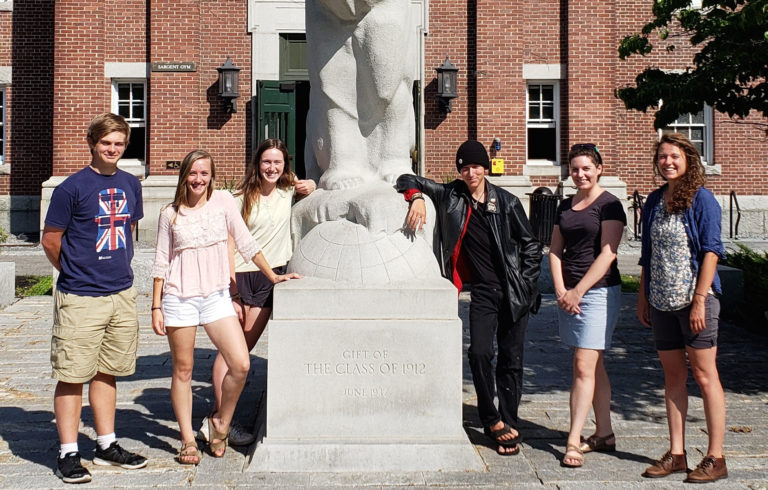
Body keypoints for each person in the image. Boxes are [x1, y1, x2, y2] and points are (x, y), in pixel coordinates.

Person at [151, 150, 298, 465]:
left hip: (216, 296)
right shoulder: (169, 213)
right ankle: (188, 440)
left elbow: (246, 242)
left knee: (241, 364)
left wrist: (273, 275)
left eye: (204, 174)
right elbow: (161, 261)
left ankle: (220, 423)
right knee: (183, 370)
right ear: (184, 176)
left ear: (211, 176)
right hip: (179, 299)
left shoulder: (224, 203)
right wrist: (155, 306)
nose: (198, 180)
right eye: (193, 173)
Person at [396, 140, 541, 456]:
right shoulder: (451, 196)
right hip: (484, 292)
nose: (470, 172)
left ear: (486, 168)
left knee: (511, 360)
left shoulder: (507, 202)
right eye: (464, 167)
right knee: (478, 353)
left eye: (476, 166)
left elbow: (531, 245)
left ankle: (510, 422)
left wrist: (527, 285)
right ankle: (491, 419)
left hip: (514, 291)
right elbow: (406, 178)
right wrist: (417, 197)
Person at [41, 113, 148, 484]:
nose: (113, 149)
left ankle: (106, 444)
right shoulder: (71, 188)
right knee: (72, 373)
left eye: (119, 143)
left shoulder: (131, 184)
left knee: (108, 370)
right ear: (92, 142)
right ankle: (69, 452)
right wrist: (73, 271)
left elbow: (129, 229)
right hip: (81, 296)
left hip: (120, 292)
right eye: (106, 143)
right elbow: (51, 239)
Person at [198, 139, 315, 446]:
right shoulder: (239, 198)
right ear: (257, 164)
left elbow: (313, 186)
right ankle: (221, 420)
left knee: (242, 350)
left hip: (270, 277)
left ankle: (219, 421)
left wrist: (313, 184)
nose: (271, 168)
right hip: (238, 278)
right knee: (231, 352)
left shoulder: (288, 191)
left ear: (284, 166)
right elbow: (229, 244)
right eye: (266, 162)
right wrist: (232, 291)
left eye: (277, 162)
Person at [638, 133, 728, 483]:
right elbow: (647, 254)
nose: (667, 162)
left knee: (705, 377)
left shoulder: (702, 200)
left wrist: (700, 300)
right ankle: (677, 454)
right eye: (662, 157)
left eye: (674, 156)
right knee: (673, 376)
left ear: (689, 159)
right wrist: (643, 296)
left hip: (695, 302)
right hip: (661, 301)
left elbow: (711, 251)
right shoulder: (654, 200)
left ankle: (715, 457)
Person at [548, 144, 626, 467]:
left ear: (599, 169)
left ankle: (573, 441)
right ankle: (604, 433)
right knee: (593, 365)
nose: (580, 174)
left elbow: (608, 254)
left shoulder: (610, 205)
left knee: (582, 365)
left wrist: (578, 291)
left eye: (586, 168)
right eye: (575, 168)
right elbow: (554, 250)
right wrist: (561, 290)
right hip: (570, 294)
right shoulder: (565, 205)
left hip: (598, 293)